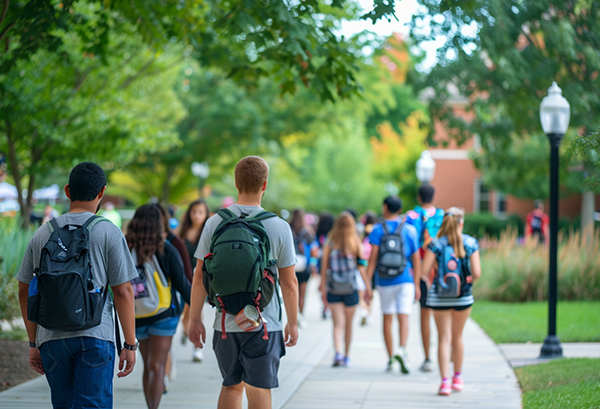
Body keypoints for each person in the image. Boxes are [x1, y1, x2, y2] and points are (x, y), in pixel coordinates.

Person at [16, 162, 138, 408]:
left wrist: (33, 343)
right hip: (96, 335)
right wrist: (130, 344)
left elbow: (24, 290)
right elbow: (123, 291)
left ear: (67, 191)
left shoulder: (43, 233)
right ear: (102, 192)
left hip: (51, 338)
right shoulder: (108, 232)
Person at [188, 155, 299, 409]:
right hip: (264, 324)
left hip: (225, 323)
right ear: (264, 185)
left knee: (231, 385)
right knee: (259, 389)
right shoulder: (279, 227)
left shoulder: (214, 222)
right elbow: (289, 282)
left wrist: (195, 320)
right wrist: (292, 322)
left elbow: (199, 277)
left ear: (236, 185)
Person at [126, 204, 191, 409]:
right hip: (164, 314)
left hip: (136, 315)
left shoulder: (125, 248)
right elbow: (182, 284)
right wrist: (198, 310)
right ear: (158, 223)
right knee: (158, 365)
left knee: (148, 365)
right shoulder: (166, 248)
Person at [421, 207, 481, 396]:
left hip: (439, 298)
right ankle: (458, 378)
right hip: (463, 297)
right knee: (458, 337)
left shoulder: (436, 244)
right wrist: (466, 284)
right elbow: (477, 273)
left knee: (444, 339)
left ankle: (444, 382)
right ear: (461, 223)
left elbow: (424, 272)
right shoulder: (470, 242)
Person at [366, 196, 420, 374]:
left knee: (387, 318)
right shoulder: (410, 230)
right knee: (403, 316)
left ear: (385, 207)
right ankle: (402, 349)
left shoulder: (377, 229)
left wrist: (368, 285)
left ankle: (390, 358)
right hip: (405, 279)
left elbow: (372, 260)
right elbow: (416, 259)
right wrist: (417, 284)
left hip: (384, 281)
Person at [320, 212, 370, 367]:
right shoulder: (355, 244)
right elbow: (362, 268)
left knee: (337, 325)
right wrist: (368, 287)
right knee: (349, 325)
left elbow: (324, 268)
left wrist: (323, 288)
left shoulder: (330, 244)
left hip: (334, 288)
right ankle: (347, 356)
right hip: (351, 289)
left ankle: (338, 354)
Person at [405, 184, 445, 372]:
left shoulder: (411, 216)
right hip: (441, 269)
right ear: (433, 195)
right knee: (446, 312)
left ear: (419, 197)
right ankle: (449, 352)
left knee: (425, 315)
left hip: (420, 269)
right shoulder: (443, 215)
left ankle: (428, 358)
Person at [178, 199, 211, 362]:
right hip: (183, 277)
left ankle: (196, 347)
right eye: (194, 212)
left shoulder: (208, 233)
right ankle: (187, 333)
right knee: (185, 314)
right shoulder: (182, 232)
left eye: (200, 212)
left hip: (199, 278)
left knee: (196, 311)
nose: (197, 216)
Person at [289, 208, 317, 328]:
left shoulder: (288, 229)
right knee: (302, 292)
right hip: (304, 266)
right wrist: (313, 265)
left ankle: (293, 316)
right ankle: (301, 314)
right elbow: (314, 250)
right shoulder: (306, 232)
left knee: (291, 291)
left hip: (290, 265)